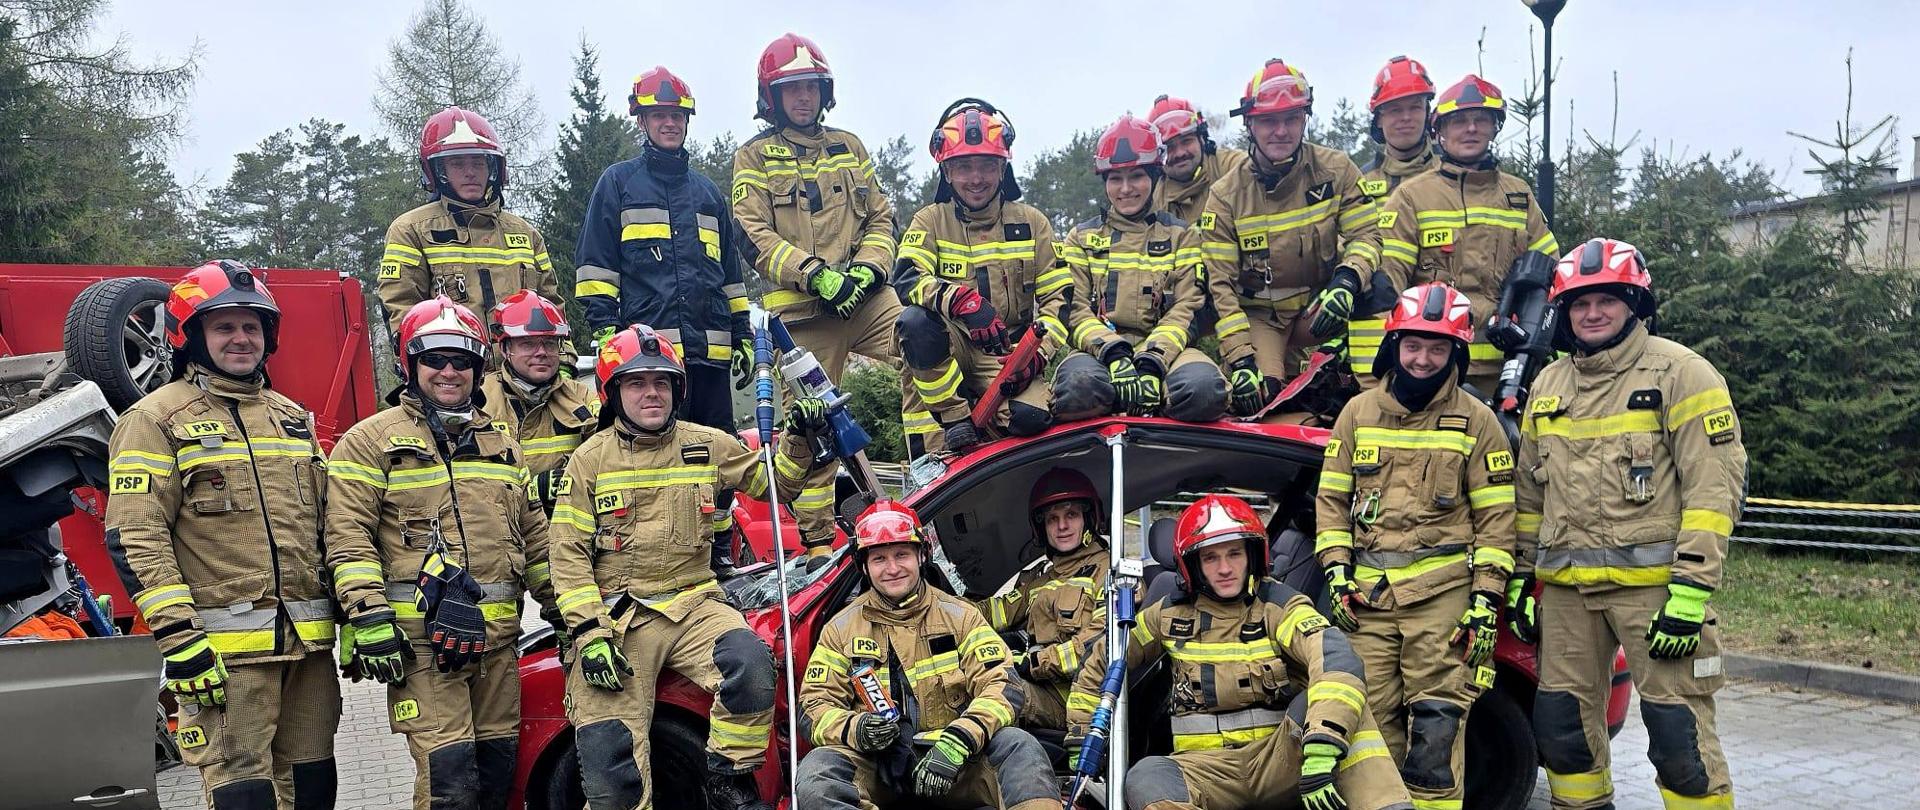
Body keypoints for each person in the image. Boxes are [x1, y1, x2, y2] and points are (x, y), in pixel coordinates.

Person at [547, 324, 839, 810]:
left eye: (662, 382)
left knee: (750, 664)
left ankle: (728, 780)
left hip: (695, 604)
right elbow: (568, 553)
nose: (651, 393)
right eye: (636, 382)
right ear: (613, 392)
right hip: (620, 618)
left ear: (677, 389)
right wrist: (589, 634)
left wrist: (800, 439)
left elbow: (779, 486)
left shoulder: (708, 443)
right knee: (609, 761)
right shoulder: (588, 462)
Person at [1512, 238, 1745, 810]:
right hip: (1567, 599)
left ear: (1635, 303)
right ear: (1562, 313)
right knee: (1563, 736)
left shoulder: (1682, 373)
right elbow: (1529, 494)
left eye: (1607, 301)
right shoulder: (1548, 386)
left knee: (1679, 742)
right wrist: (1521, 576)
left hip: (1657, 597)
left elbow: (1714, 490)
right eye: (1578, 304)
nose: (1592, 314)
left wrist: (1690, 592)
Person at [106, 261, 340, 810]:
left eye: (252, 327)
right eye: (224, 327)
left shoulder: (291, 418)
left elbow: (329, 527)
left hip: (307, 654)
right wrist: (180, 640)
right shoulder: (155, 419)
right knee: (243, 794)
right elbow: (135, 537)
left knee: (313, 787)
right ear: (190, 337)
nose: (241, 339)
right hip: (223, 663)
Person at [325, 296, 557, 810]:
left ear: (479, 369)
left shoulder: (501, 445)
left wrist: (567, 609)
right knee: (450, 787)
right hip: (423, 650)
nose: (449, 371)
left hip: (496, 647)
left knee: (497, 779)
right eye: (435, 358)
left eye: (463, 361)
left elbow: (536, 539)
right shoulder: (368, 443)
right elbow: (347, 536)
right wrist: (368, 617)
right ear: (410, 364)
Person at [1068, 494, 1414, 810]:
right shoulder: (1167, 615)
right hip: (1205, 772)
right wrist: (1082, 737)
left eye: (1234, 553)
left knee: (1340, 708)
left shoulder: (1279, 605)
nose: (1225, 568)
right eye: (1211, 557)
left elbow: (1334, 658)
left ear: (1252, 555)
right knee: (1147, 774)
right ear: (1193, 565)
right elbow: (1105, 658)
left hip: (1277, 762)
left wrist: (1324, 743)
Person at [1314, 283, 1517, 810]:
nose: (1423, 358)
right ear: (1394, 345)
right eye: (1413, 345)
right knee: (1368, 730)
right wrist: (1337, 572)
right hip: (1368, 602)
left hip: (1443, 601)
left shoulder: (1478, 421)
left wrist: (1486, 602)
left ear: (1457, 352)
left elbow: (1498, 521)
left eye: (1437, 347)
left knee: (1436, 733)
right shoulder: (1357, 414)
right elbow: (1331, 506)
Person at [730, 33, 936, 454]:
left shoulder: (849, 146)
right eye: (792, 88)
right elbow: (753, 235)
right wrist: (817, 278)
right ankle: (815, 522)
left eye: (811, 86)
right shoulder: (754, 156)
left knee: (927, 339)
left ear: (825, 91)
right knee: (812, 428)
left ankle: (932, 465)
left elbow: (881, 217)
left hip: (868, 301)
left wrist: (868, 269)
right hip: (801, 314)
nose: (804, 97)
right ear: (773, 95)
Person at [793, 500, 1055, 810]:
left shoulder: (961, 616)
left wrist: (960, 740)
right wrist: (857, 729)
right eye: (879, 558)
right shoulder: (841, 628)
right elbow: (813, 708)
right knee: (817, 773)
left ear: (921, 555)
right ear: (863, 565)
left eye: (902, 554)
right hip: (878, 767)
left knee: (1019, 746)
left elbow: (1002, 686)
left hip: (955, 762)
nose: (892, 568)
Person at [1201, 59, 1384, 418]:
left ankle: (1375, 403)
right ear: (1250, 124)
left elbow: (1367, 234)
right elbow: (1220, 287)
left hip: (1322, 307)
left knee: (1377, 290)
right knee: (1260, 398)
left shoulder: (1336, 170)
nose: (1281, 131)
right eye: (1269, 121)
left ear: (1305, 119)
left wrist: (1347, 282)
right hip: (1262, 317)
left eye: (1292, 119)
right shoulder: (1225, 194)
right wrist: (1240, 358)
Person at [574, 66, 750, 431]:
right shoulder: (618, 183)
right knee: (659, 460)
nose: (669, 123)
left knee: (720, 458)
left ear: (686, 120)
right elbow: (596, 269)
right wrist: (607, 330)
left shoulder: (707, 193)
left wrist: (743, 334)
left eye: (676, 115)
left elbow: (731, 277)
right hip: (651, 363)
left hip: (711, 360)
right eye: (659, 115)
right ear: (642, 121)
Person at [1374, 75, 1559, 395]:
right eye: (1458, 121)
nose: (1470, 128)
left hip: (1509, 367)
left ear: (1494, 127)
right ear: (1440, 131)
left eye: (1480, 120)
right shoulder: (1412, 197)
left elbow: (1552, 275)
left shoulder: (1518, 195)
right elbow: (1389, 286)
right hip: (1434, 366)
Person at [892, 98, 1058, 451]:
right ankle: (954, 418)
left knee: (1031, 418)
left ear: (1003, 168)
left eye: (986, 165)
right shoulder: (929, 221)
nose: (976, 178)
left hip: (1007, 352)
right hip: (947, 350)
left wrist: (1039, 356)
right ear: (947, 172)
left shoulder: (1033, 224)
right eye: (964, 167)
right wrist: (963, 301)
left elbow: (1061, 302)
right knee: (915, 322)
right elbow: (906, 278)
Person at [1052, 114, 1227, 423]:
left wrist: (1151, 363)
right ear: (1105, 182)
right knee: (1078, 388)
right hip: (1099, 353)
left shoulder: (1181, 235)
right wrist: (1115, 356)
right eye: (1115, 178)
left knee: (1203, 390)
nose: (1126, 188)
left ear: (1154, 177)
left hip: (1167, 351)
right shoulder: (1080, 238)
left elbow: (1188, 308)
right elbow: (1074, 310)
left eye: (1136, 176)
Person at [377, 107, 563, 360]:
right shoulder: (411, 230)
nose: (470, 172)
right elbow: (402, 310)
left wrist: (564, 365)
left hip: (526, 381)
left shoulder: (526, 234)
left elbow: (552, 308)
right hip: (455, 379)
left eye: (478, 162)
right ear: (436, 171)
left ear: (494, 168)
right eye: (457, 163)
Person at [980, 469, 1111, 733]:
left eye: (1071, 515)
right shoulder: (1042, 581)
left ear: (1089, 518)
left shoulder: (1108, 571)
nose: (1062, 526)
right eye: (1053, 519)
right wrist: (941, 604)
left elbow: (1101, 644)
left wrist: (1034, 663)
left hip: (1075, 700)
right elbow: (995, 612)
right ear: (1042, 528)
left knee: (997, 694)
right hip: (1042, 688)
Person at [1348, 56, 1439, 380]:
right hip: (1372, 328)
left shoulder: (1454, 179)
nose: (1405, 118)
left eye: (1414, 107)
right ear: (1378, 118)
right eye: (1394, 109)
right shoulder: (1357, 183)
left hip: (1440, 322)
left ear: (1428, 113)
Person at [480, 289, 599, 517]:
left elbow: (610, 459)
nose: (541, 352)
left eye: (550, 343)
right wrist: (532, 489)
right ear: (505, 349)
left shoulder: (582, 398)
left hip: (570, 525)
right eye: (528, 344)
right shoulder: (481, 402)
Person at [1148, 94, 1250, 227]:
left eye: (1186, 141)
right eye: (1169, 146)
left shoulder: (1231, 166)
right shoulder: (1152, 200)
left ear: (1201, 139)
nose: (1180, 153)